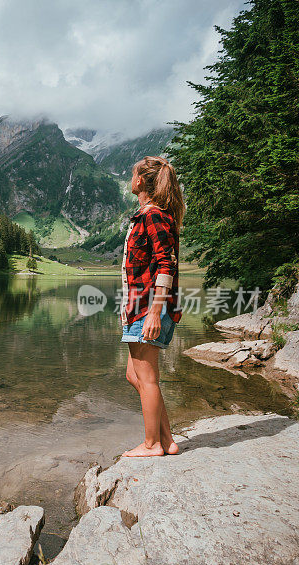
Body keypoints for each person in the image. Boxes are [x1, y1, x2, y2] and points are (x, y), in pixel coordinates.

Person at [120, 156, 185, 457]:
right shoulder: (146, 214)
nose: (129, 178)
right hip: (140, 305)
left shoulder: (153, 215)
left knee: (146, 378)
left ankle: (152, 445)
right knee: (134, 375)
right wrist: (128, 303)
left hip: (150, 307)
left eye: (132, 173)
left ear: (142, 181)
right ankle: (167, 440)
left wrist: (156, 311)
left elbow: (165, 265)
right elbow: (138, 267)